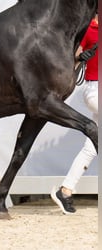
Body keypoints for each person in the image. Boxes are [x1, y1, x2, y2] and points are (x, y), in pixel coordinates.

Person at [51, 12, 98, 214]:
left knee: (92, 146)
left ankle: (66, 190)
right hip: (95, 89)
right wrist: (81, 56)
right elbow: (71, 61)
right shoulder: (88, 30)